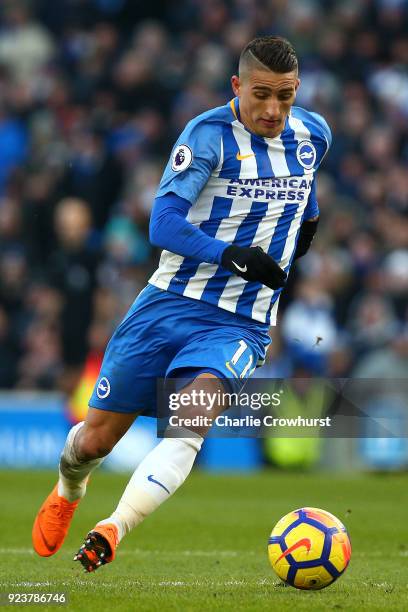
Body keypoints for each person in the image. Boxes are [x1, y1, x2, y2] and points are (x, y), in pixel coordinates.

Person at [32, 35, 331, 572]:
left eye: (285, 96)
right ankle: (69, 489)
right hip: (168, 304)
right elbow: (162, 223)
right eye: (261, 94)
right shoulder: (207, 136)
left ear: (297, 90)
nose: (273, 109)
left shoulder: (314, 135)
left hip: (241, 322)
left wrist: (306, 230)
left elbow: (306, 192)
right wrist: (231, 255)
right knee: (94, 441)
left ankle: (112, 529)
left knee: (188, 422)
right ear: (236, 86)